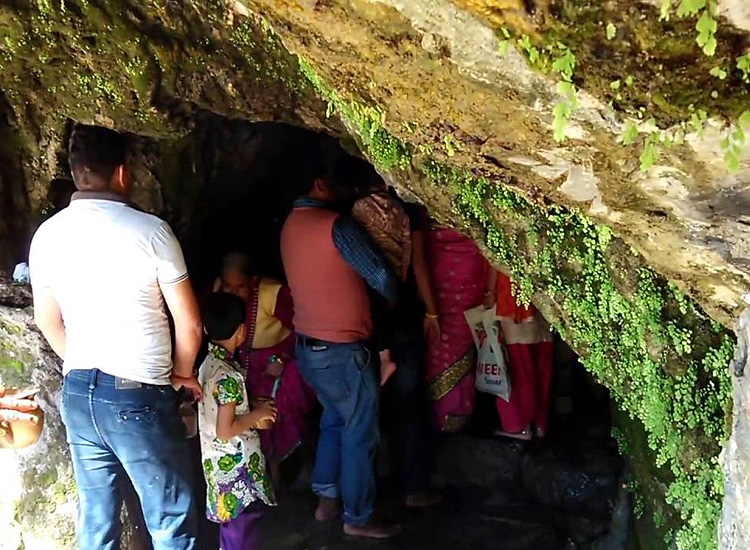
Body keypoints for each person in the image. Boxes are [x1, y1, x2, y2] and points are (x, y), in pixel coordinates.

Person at [29, 124, 203, 550]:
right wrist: (181, 373)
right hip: (137, 393)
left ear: (74, 172)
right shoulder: (152, 231)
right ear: (123, 173)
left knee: (97, 520)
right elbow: (190, 323)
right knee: (170, 519)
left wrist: (86, 366)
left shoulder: (47, 235)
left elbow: (47, 320)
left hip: (78, 392)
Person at [280, 151, 400, 538]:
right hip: (343, 350)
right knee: (359, 432)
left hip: (308, 348)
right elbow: (379, 274)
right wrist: (395, 300)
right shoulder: (335, 226)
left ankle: (326, 498)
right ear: (319, 184)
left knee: (334, 419)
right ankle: (358, 517)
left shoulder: (289, 226)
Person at [215, 252, 315, 474]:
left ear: (253, 281)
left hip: (279, 364)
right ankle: (263, 474)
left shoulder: (274, 295)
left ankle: (303, 467)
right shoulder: (218, 292)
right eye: (227, 287)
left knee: (281, 409)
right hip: (241, 365)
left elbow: (305, 328)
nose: (231, 293)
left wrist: (284, 358)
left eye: (239, 287)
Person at [198, 292, 277, 550]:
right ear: (242, 331)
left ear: (206, 328)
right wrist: (257, 415)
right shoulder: (228, 375)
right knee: (242, 532)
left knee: (232, 531)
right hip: (237, 473)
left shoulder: (209, 365)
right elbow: (225, 430)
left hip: (218, 468)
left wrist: (252, 405)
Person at [349, 161, 411, 386]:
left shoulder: (360, 207)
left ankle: (385, 359)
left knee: (376, 318)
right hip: (396, 275)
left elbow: (353, 243)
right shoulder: (399, 208)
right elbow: (408, 243)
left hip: (373, 273)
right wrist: (403, 273)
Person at [423, 223, 487, 433]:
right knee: (443, 343)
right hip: (462, 272)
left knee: (441, 343)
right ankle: (455, 410)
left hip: (446, 274)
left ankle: (444, 412)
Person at [485, 268, 554, 440]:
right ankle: (539, 424)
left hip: (513, 298)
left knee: (518, 368)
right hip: (543, 294)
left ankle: (518, 426)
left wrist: (490, 291)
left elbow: (495, 259)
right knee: (542, 365)